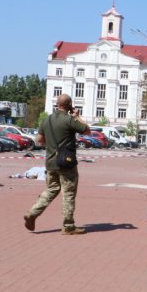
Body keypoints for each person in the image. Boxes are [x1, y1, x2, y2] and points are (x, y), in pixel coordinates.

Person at [23, 93, 89, 234]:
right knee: (68, 193)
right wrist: (77, 116)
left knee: (51, 189)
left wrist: (53, 145)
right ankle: (68, 226)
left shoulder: (46, 120)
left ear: (57, 104)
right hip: (66, 163)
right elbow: (87, 130)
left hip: (50, 162)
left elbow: (39, 140)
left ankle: (33, 213)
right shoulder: (69, 120)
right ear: (69, 105)